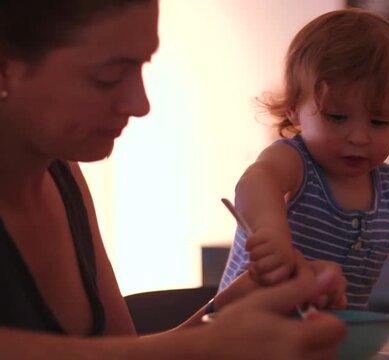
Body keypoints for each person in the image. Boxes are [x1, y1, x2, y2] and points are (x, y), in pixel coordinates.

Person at [0, 1, 348, 359]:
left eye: (141, 66)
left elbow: (124, 351)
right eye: (109, 76)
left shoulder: (62, 175)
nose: (140, 103)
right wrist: (205, 344)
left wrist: (228, 311)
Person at [217, 8, 389, 349]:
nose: (358, 136)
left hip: (331, 346)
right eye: (337, 117)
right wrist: (272, 234)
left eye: (379, 122)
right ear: (295, 107)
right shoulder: (294, 161)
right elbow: (255, 181)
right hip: (251, 342)